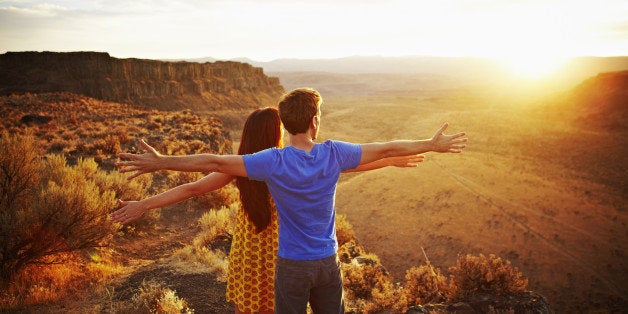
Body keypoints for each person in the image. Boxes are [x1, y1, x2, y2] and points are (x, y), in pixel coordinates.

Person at [115, 88, 467, 313]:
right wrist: (414, 150)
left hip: (270, 257)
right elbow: (367, 155)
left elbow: (203, 176)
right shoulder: (310, 156)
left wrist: (153, 184)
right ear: (311, 123)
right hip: (307, 257)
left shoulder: (261, 164)